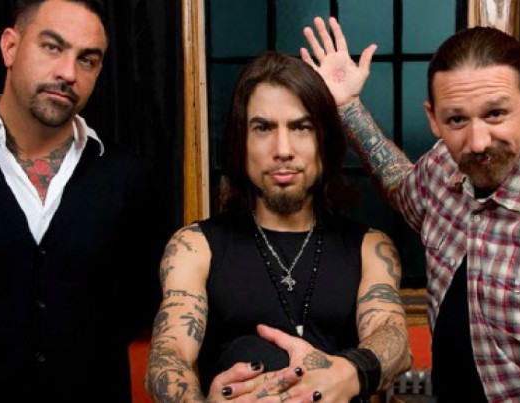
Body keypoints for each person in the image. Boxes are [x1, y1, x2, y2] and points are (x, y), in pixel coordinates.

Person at [300, 17, 520, 402]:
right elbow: (402, 189)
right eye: (457, 120)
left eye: (495, 114)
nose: (478, 142)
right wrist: (347, 107)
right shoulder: (442, 168)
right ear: (433, 119)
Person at [145, 51, 412, 402]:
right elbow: (170, 354)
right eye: (263, 128)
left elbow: (392, 338)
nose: (283, 149)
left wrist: (344, 375)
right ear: (240, 142)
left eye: (301, 128)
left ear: (323, 141)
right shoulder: (194, 246)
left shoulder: (369, 246)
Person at [0, 1, 160, 401]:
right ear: (10, 47)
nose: (68, 73)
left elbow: (139, 307)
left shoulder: (128, 176)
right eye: (52, 47)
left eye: (87, 60)